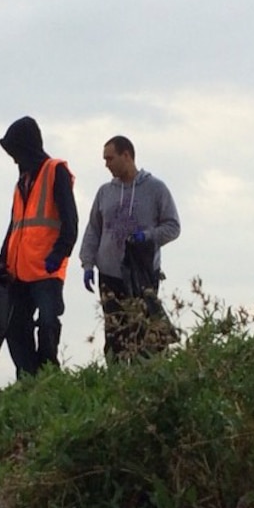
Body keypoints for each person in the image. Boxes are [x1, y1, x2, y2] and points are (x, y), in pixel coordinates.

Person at [80, 136, 182, 360]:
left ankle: (149, 377)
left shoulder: (155, 188)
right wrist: (87, 263)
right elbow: (93, 230)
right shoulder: (105, 192)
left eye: (110, 158)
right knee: (115, 333)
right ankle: (117, 381)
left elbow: (173, 226)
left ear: (126, 156)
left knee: (145, 331)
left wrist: (147, 237)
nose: (106, 164)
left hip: (141, 274)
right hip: (109, 274)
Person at [0, 115, 78, 378]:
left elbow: (70, 219)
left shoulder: (56, 171)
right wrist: (1, 261)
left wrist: (60, 253)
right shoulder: (20, 182)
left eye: (15, 152)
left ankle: (48, 374)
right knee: (14, 327)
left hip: (46, 269)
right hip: (18, 271)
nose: (13, 159)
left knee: (47, 323)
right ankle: (28, 377)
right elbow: (15, 226)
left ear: (26, 147)